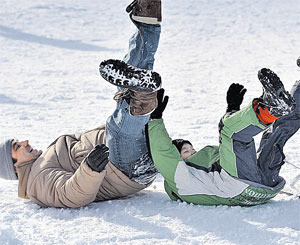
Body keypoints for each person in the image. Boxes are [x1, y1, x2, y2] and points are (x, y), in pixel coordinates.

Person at [0, 0, 162, 208]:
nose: (24, 142)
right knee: (124, 112)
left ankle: (146, 24)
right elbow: (69, 195)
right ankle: (141, 97)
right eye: (17, 147)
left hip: (125, 156)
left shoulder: (43, 161)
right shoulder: (36, 181)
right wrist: (90, 169)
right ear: (13, 166)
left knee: (127, 91)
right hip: (124, 168)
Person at [146, 67, 299, 206]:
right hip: (238, 184)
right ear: (177, 157)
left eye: (191, 149)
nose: (192, 152)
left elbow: (234, 154)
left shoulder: (204, 176)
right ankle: (270, 108)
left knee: (274, 136)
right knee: (229, 130)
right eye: (185, 151)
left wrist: (232, 109)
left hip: (263, 185)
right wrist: (155, 118)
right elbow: (164, 153)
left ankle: (297, 93)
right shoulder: (178, 179)